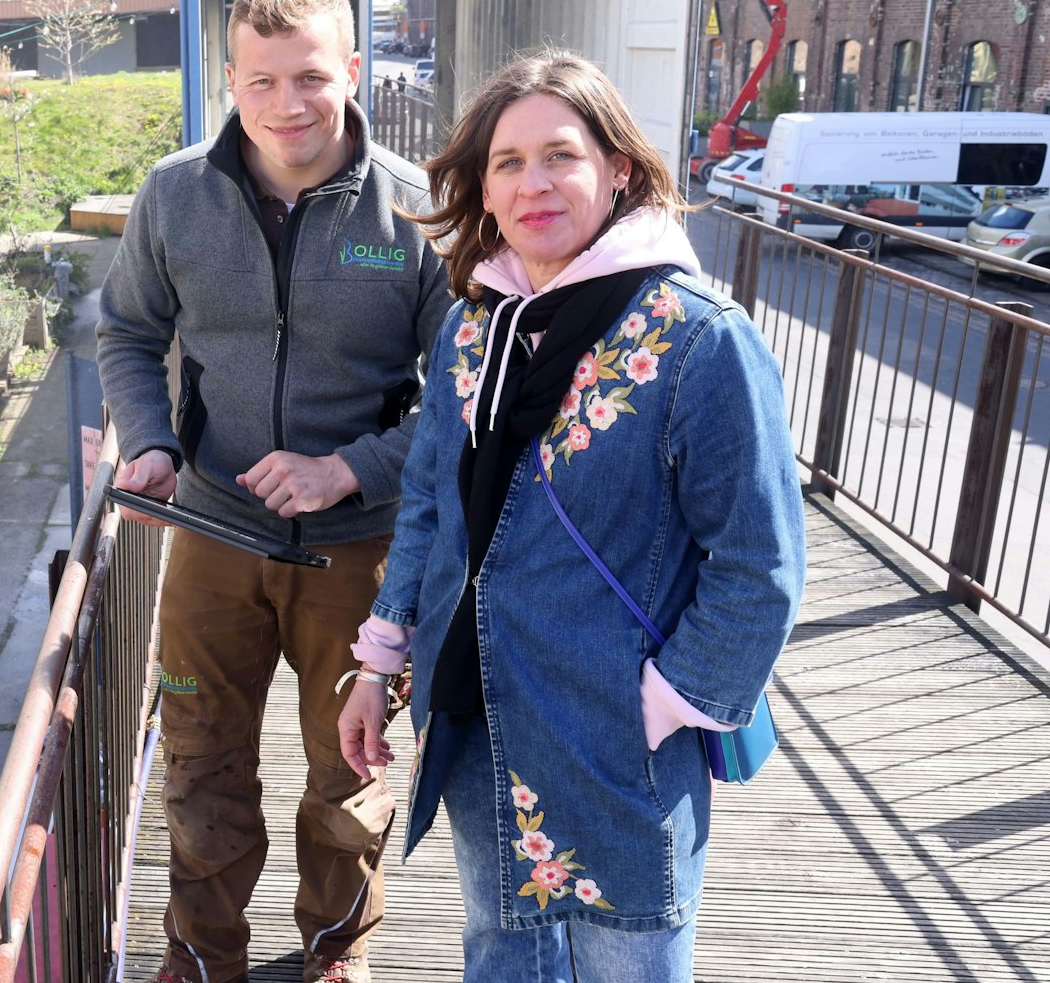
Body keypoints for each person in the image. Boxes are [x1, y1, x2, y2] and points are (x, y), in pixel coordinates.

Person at [336, 49, 805, 983]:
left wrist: (659, 706)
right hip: (475, 722)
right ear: (483, 186)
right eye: (507, 162)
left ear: (618, 167)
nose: (533, 182)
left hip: (614, 743)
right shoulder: (476, 325)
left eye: (561, 154)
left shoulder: (696, 337)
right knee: (502, 958)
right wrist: (381, 661)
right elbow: (431, 502)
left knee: (629, 962)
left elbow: (758, 565)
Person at [97, 0, 449, 983]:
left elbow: (462, 394)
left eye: (307, 77)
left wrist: (353, 467)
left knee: (350, 774)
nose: (286, 105)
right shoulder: (173, 196)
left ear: (350, 69)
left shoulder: (417, 213)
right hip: (211, 535)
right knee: (201, 764)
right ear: (230, 82)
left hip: (361, 552)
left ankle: (334, 957)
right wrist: (148, 439)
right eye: (259, 82)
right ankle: (201, 958)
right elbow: (125, 330)